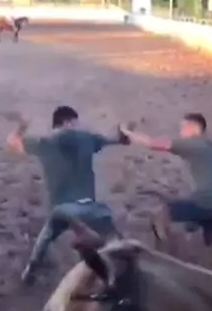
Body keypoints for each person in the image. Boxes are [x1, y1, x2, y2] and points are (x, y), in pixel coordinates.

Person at [7, 105, 130, 284]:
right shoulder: (87, 138)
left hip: (62, 209)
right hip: (89, 207)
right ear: (68, 121)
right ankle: (114, 274)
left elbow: (13, 143)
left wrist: (22, 125)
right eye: (76, 122)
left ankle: (31, 269)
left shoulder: (44, 142)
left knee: (46, 236)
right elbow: (119, 140)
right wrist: (124, 131)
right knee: (113, 239)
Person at [120, 113, 212, 246]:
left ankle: (165, 247)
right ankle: (211, 247)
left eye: (182, 128)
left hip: (205, 203)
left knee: (162, 213)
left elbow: (152, 144)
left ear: (193, 127)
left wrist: (127, 132)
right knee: (211, 240)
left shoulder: (193, 143)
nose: (181, 132)